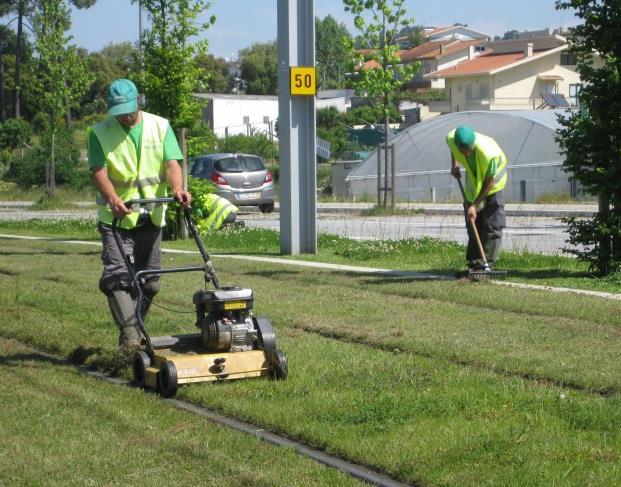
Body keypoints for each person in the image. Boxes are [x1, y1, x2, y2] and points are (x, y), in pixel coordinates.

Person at [87, 78, 191, 351]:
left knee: (152, 283)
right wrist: (112, 198)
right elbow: (98, 171)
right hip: (115, 219)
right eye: (118, 111)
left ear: (137, 104)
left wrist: (178, 188)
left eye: (128, 109)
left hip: (151, 214)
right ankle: (133, 338)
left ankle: (131, 328)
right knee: (118, 278)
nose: (123, 115)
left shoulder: (160, 126)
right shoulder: (99, 132)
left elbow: (171, 163)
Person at [446, 125, 508, 276]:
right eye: (463, 151)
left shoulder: (489, 154)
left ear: (473, 144)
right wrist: (455, 164)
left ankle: (487, 264)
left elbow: (489, 183)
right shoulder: (452, 139)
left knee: (492, 225)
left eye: (469, 150)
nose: (466, 153)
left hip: (493, 186)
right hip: (474, 185)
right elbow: (452, 148)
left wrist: (474, 205)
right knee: (473, 223)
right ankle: (474, 265)